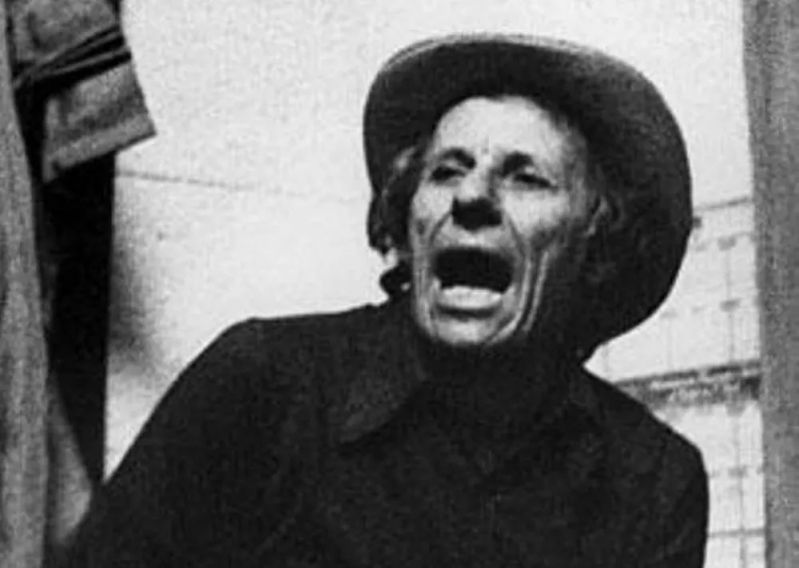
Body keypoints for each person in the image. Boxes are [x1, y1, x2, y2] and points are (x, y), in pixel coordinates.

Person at [66, 34, 709, 567]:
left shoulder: (653, 481)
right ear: (406, 217)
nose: (471, 197)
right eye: (446, 170)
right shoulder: (266, 387)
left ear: (599, 244)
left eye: (525, 178)